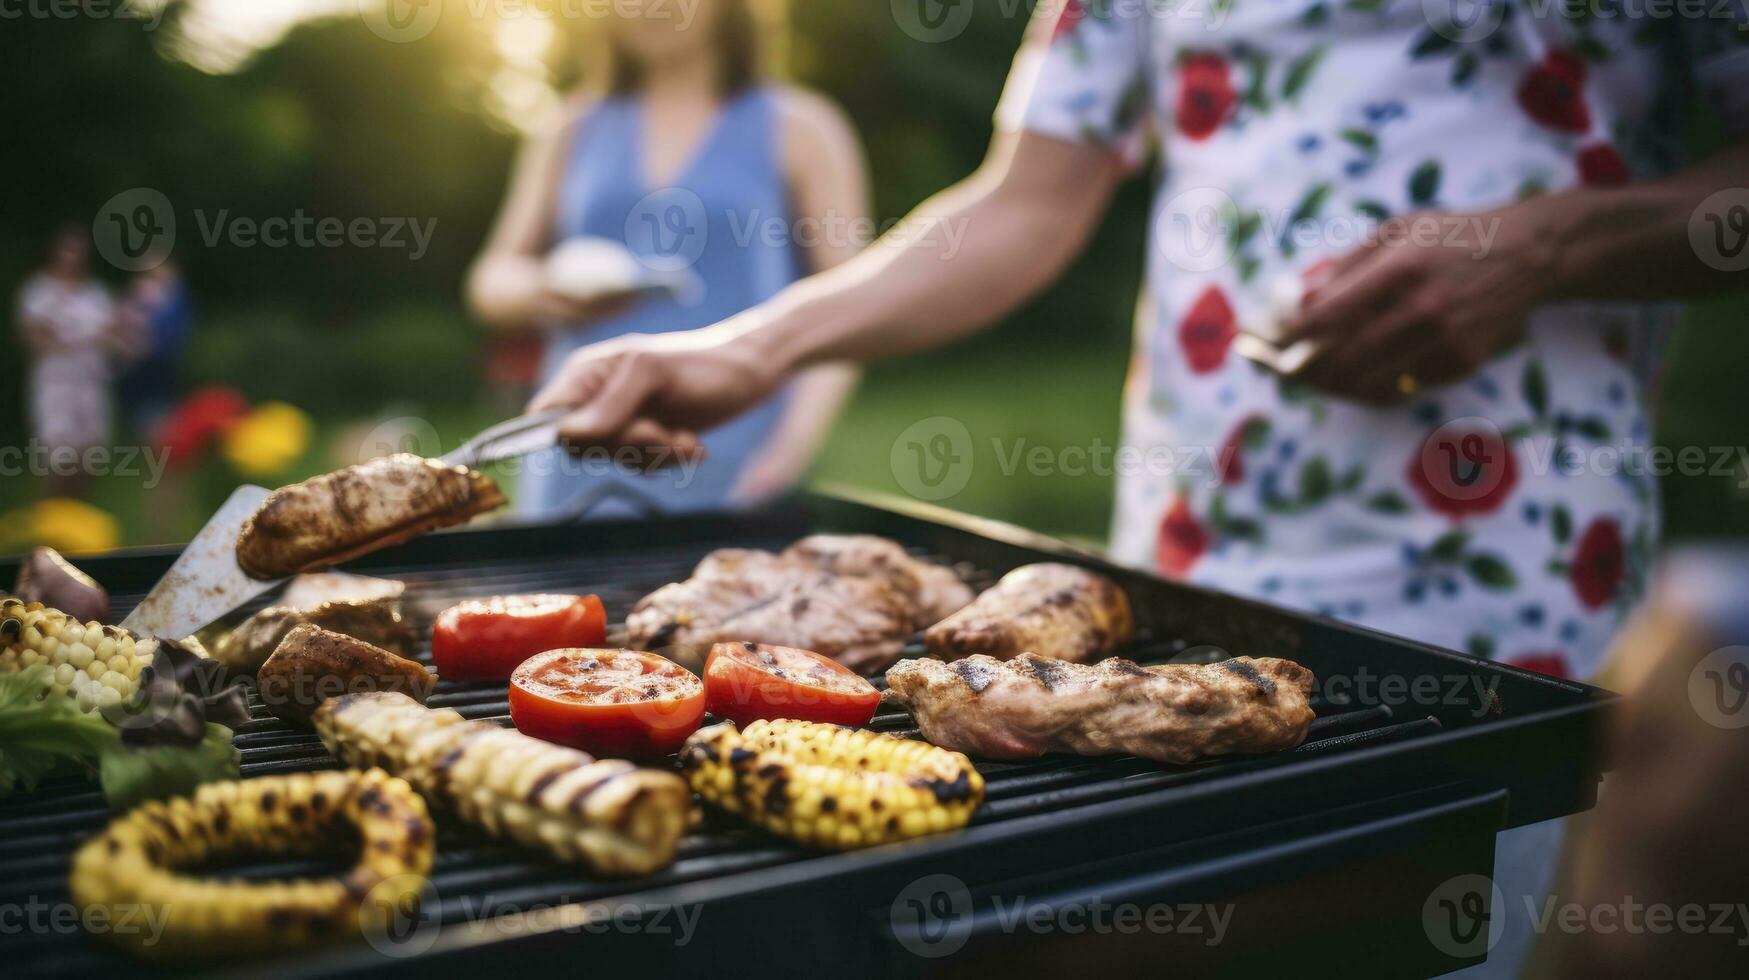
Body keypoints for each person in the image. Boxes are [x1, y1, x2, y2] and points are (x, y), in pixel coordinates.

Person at [529, 3, 1749, 974]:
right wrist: (753, 346)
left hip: (1512, 585)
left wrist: (1541, 247)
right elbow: (1026, 198)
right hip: (1174, 574)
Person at [468, 0, 865, 517]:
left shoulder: (801, 126)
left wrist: (785, 455)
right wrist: (543, 291)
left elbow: (846, 307)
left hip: (736, 458)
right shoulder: (569, 129)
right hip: (576, 455)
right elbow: (491, 279)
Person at [16, 225, 127, 500]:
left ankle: (77, 525)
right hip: (57, 384)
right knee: (58, 459)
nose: (72, 257)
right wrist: (83, 339)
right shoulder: (39, 290)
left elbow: (114, 333)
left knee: (90, 459)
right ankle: (45, 523)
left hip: (91, 382)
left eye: (78, 251)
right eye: (67, 250)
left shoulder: (95, 293)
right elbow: (33, 335)